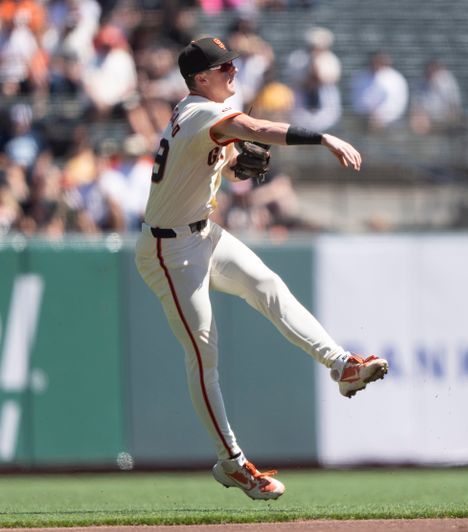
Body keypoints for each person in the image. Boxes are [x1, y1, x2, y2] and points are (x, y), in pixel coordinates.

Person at [134, 37, 389, 501]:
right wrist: (322, 137)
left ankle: (342, 366)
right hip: (168, 253)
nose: (233, 71)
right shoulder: (199, 112)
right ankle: (231, 462)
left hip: (201, 235)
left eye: (232, 63)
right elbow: (258, 127)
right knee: (204, 351)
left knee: (268, 286)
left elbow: (228, 163)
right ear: (201, 78)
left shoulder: (199, 115)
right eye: (224, 67)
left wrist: (238, 168)